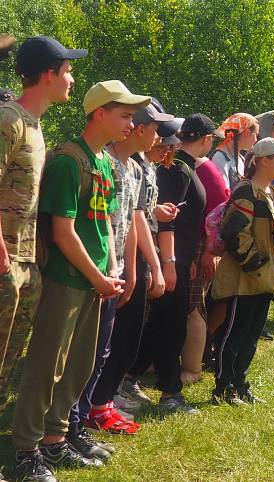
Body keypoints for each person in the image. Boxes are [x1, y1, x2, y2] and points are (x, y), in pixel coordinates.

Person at [11, 80, 150, 478]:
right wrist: (99, 275)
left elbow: (104, 222)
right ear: (99, 113)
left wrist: (110, 272)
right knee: (46, 367)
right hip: (65, 279)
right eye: (125, 115)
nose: (131, 123)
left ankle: (55, 441)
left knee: (78, 366)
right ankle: (25, 449)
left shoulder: (104, 162)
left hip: (94, 281)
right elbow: (63, 232)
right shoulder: (69, 162)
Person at [0, 35, 86, 482]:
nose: (72, 78)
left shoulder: (34, 125)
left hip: (24, 265)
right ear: (48, 73)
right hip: (4, 266)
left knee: (7, 366)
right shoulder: (9, 119)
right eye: (67, 70)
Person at [78, 101, 173, 442]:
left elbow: (135, 221)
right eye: (154, 127)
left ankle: (96, 403)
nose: (159, 136)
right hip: (97, 269)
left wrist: (135, 271)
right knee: (94, 347)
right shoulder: (105, 163)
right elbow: (112, 220)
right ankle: (85, 409)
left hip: (120, 266)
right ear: (140, 128)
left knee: (117, 343)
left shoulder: (133, 168)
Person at [131, 114, 216, 416]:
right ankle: (170, 391)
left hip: (180, 260)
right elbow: (167, 222)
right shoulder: (177, 169)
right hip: (170, 260)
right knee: (171, 325)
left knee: (161, 323)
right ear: (206, 139)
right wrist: (169, 264)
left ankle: (130, 376)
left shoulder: (186, 168)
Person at [209, 137, 274, 405]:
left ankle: (240, 383)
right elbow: (234, 232)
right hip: (243, 279)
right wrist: (255, 263)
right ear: (263, 160)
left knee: (252, 335)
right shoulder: (245, 192)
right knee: (234, 333)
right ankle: (223, 387)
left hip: (265, 278)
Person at [183, 114, 255, 384]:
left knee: (204, 303)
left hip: (214, 242)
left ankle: (197, 358)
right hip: (214, 241)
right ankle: (199, 354)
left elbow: (219, 207)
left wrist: (211, 250)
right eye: (252, 133)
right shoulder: (219, 160)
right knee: (204, 302)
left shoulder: (229, 160)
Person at [210, 113, 259, 191]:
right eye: (256, 134)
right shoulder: (220, 157)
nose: (256, 139)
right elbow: (222, 194)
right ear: (247, 133)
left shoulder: (241, 158)